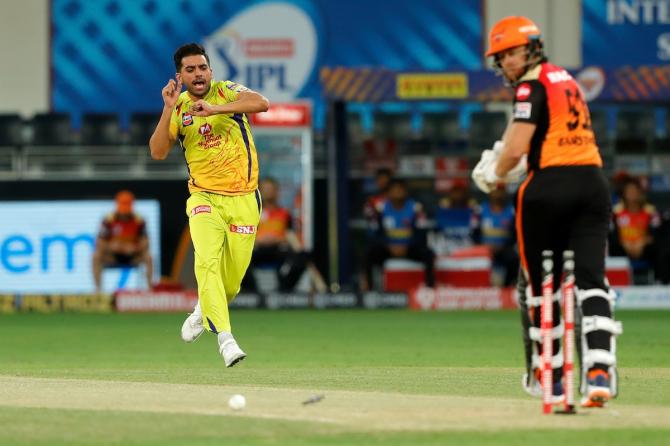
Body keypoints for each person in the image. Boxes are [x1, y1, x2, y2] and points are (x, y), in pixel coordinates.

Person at [473, 16, 622, 408]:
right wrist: (505, 155)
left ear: (532, 47)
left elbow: (518, 146)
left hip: (547, 192)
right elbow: (537, 135)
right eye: (500, 56)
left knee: (540, 289)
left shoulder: (529, 86)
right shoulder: (566, 80)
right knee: (593, 280)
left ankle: (550, 377)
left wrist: (494, 173)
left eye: (511, 52)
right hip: (592, 185)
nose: (506, 62)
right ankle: (600, 372)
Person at [149, 43, 269, 367]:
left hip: (244, 198)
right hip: (203, 198)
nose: (198, 74)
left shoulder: (228, 92)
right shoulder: (178, 106)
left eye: (202, 68)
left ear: (210, 71)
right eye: (190, 70)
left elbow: (262, 103)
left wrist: (215, 110)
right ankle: (226, 340)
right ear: (180, 75)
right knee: (206, 263)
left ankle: (204, 310)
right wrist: (167, 108)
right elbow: (157, 151)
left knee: (230, 285)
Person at [363, 179, 435, 291]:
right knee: (369, 253)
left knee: (429, 254)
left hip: (409, 248)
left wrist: (407, 246)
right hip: (388, 248)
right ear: (389, 193)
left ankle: (429, 288)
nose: (397, 192)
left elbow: (422, 232)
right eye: (394, 190)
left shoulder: (416, 208)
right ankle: (370, 290)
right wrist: (388, 246)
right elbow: (375, 232)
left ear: (405, 192)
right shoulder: (380, 208)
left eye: (400, 190)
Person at [241, 178, 310, 292]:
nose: (268, 192)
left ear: (277, 191)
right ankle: (251, 293)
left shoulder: (284, 213)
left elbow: (291, 235)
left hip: (279, 249)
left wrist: (281, 240)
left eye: (271, 189)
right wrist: (257, 240)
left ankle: (283, 291)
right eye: (265, 189)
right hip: (256, 249)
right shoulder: (251, 212)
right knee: (238, 259)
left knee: (302, 256)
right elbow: (243, 232)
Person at [92, 190, 153, 293]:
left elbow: (146, 242)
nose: (124, 214)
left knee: (148, 257)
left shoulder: (139, 221)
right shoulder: (108, 220)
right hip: (113, 256)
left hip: (132, 256)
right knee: (96, 257)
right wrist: (112, 247)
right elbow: (99, 243)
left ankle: (150, 290)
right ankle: (98, 291)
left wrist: (134, 248)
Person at [609, 177, 661, 283]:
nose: (631, 194)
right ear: (624, 193)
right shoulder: (616, 212)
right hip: (622, 248)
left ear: (640, 193)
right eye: (629, 191)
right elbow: (612, 234)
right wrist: (624, 243)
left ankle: (660, 281)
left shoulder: (650, 212)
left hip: (644, 249)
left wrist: (642, 242)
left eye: (634, 191)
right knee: (613, 245)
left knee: (660, 247)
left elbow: (657, 233)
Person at [475, 185, 518, 286]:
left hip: (503, 249)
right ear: (490, 193)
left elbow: (515, 235)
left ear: (505, 193)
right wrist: (483, 246)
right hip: (483, 248)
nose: (498, 194)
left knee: (513, 259)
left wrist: (502, 247)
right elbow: (474, 232)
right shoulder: (480, 209)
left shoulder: (512, 211)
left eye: (501, 191)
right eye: (495, 191)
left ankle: (506, 288)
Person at [433, 179, 479, 255]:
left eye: (461, 191)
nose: (458, 194)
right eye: (455, 191)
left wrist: (474, 208)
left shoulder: (474, 210)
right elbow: (436, 233)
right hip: (447, 250)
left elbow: (477, 233)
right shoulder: (442, 210)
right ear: (450, 193)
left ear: (466, 194)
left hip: (468, 250)